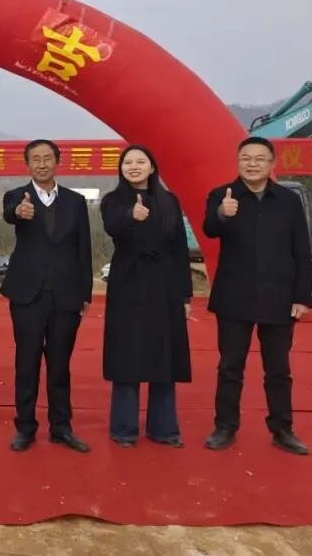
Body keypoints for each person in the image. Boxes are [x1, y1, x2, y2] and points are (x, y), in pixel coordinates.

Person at [201, 136, 312, 456]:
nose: (252, 164)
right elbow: (209, 229)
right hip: (234, 296)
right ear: (238, 162)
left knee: (278, 369)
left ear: (272, 164)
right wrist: (222, 214)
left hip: (279, 297)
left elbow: (301, 250)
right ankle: (225, 427)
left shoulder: (288, 201)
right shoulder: (222, 195)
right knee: (230, 366)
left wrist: (302, 296)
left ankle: (282, 429)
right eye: (246, 158)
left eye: (259, 158)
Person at [0, 139, 92, 453]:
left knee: (60, 365)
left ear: (57, 161)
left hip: (66, 295)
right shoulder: (17, 197)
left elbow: (83, 249)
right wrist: (19, 211)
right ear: (27, 164)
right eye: (35, 159)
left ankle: (61, 428)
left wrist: (85, 293)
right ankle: (25, 427)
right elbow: (10, 214)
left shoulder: (75, 201)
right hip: (28, 295)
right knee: (26, 363)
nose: (41, 164)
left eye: (47, 158)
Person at [99, 145, 192, 448]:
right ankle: (124, 428)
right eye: (128, 162)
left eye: (141, 161)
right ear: (121, 168)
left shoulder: (169, 201)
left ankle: (163, 428)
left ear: (152, 167)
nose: (134, 166)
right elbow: (112, 227)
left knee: (164, 354)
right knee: (127, 354)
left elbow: (179, 249)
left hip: (165, 283)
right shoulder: (113, 200)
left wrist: (185, 294)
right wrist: (131, 215)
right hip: (128, 281)